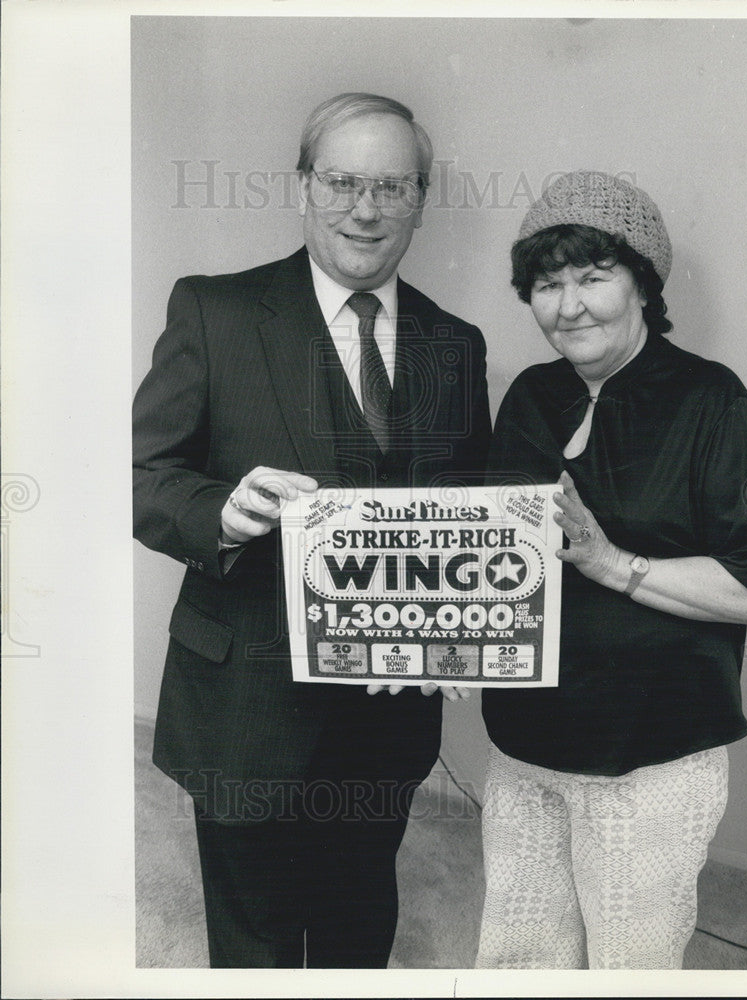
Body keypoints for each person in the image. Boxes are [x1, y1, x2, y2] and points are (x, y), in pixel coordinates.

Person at [133, 92, 491, 968]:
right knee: (251, 955)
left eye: (390, 186)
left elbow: (464, 520)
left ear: (420, 198)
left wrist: (465, 634)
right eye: (340, 181)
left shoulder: (459, 342)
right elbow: (144, 475)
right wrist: (220, 511)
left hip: (388, 720)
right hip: (243, 713)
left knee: (356, 937)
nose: (364, 210)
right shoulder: (215, 312)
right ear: (303, 186)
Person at [477, 170, 747, 970]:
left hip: (651, 756)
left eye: (594, 278)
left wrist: (611, 563)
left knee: (630, 968)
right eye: (547, 284)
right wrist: (446, 635)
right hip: (526, 743)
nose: (569, 305)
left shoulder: (713, 401)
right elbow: (500, 559)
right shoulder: (532, 396)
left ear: (643, 283)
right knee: (518, 957)